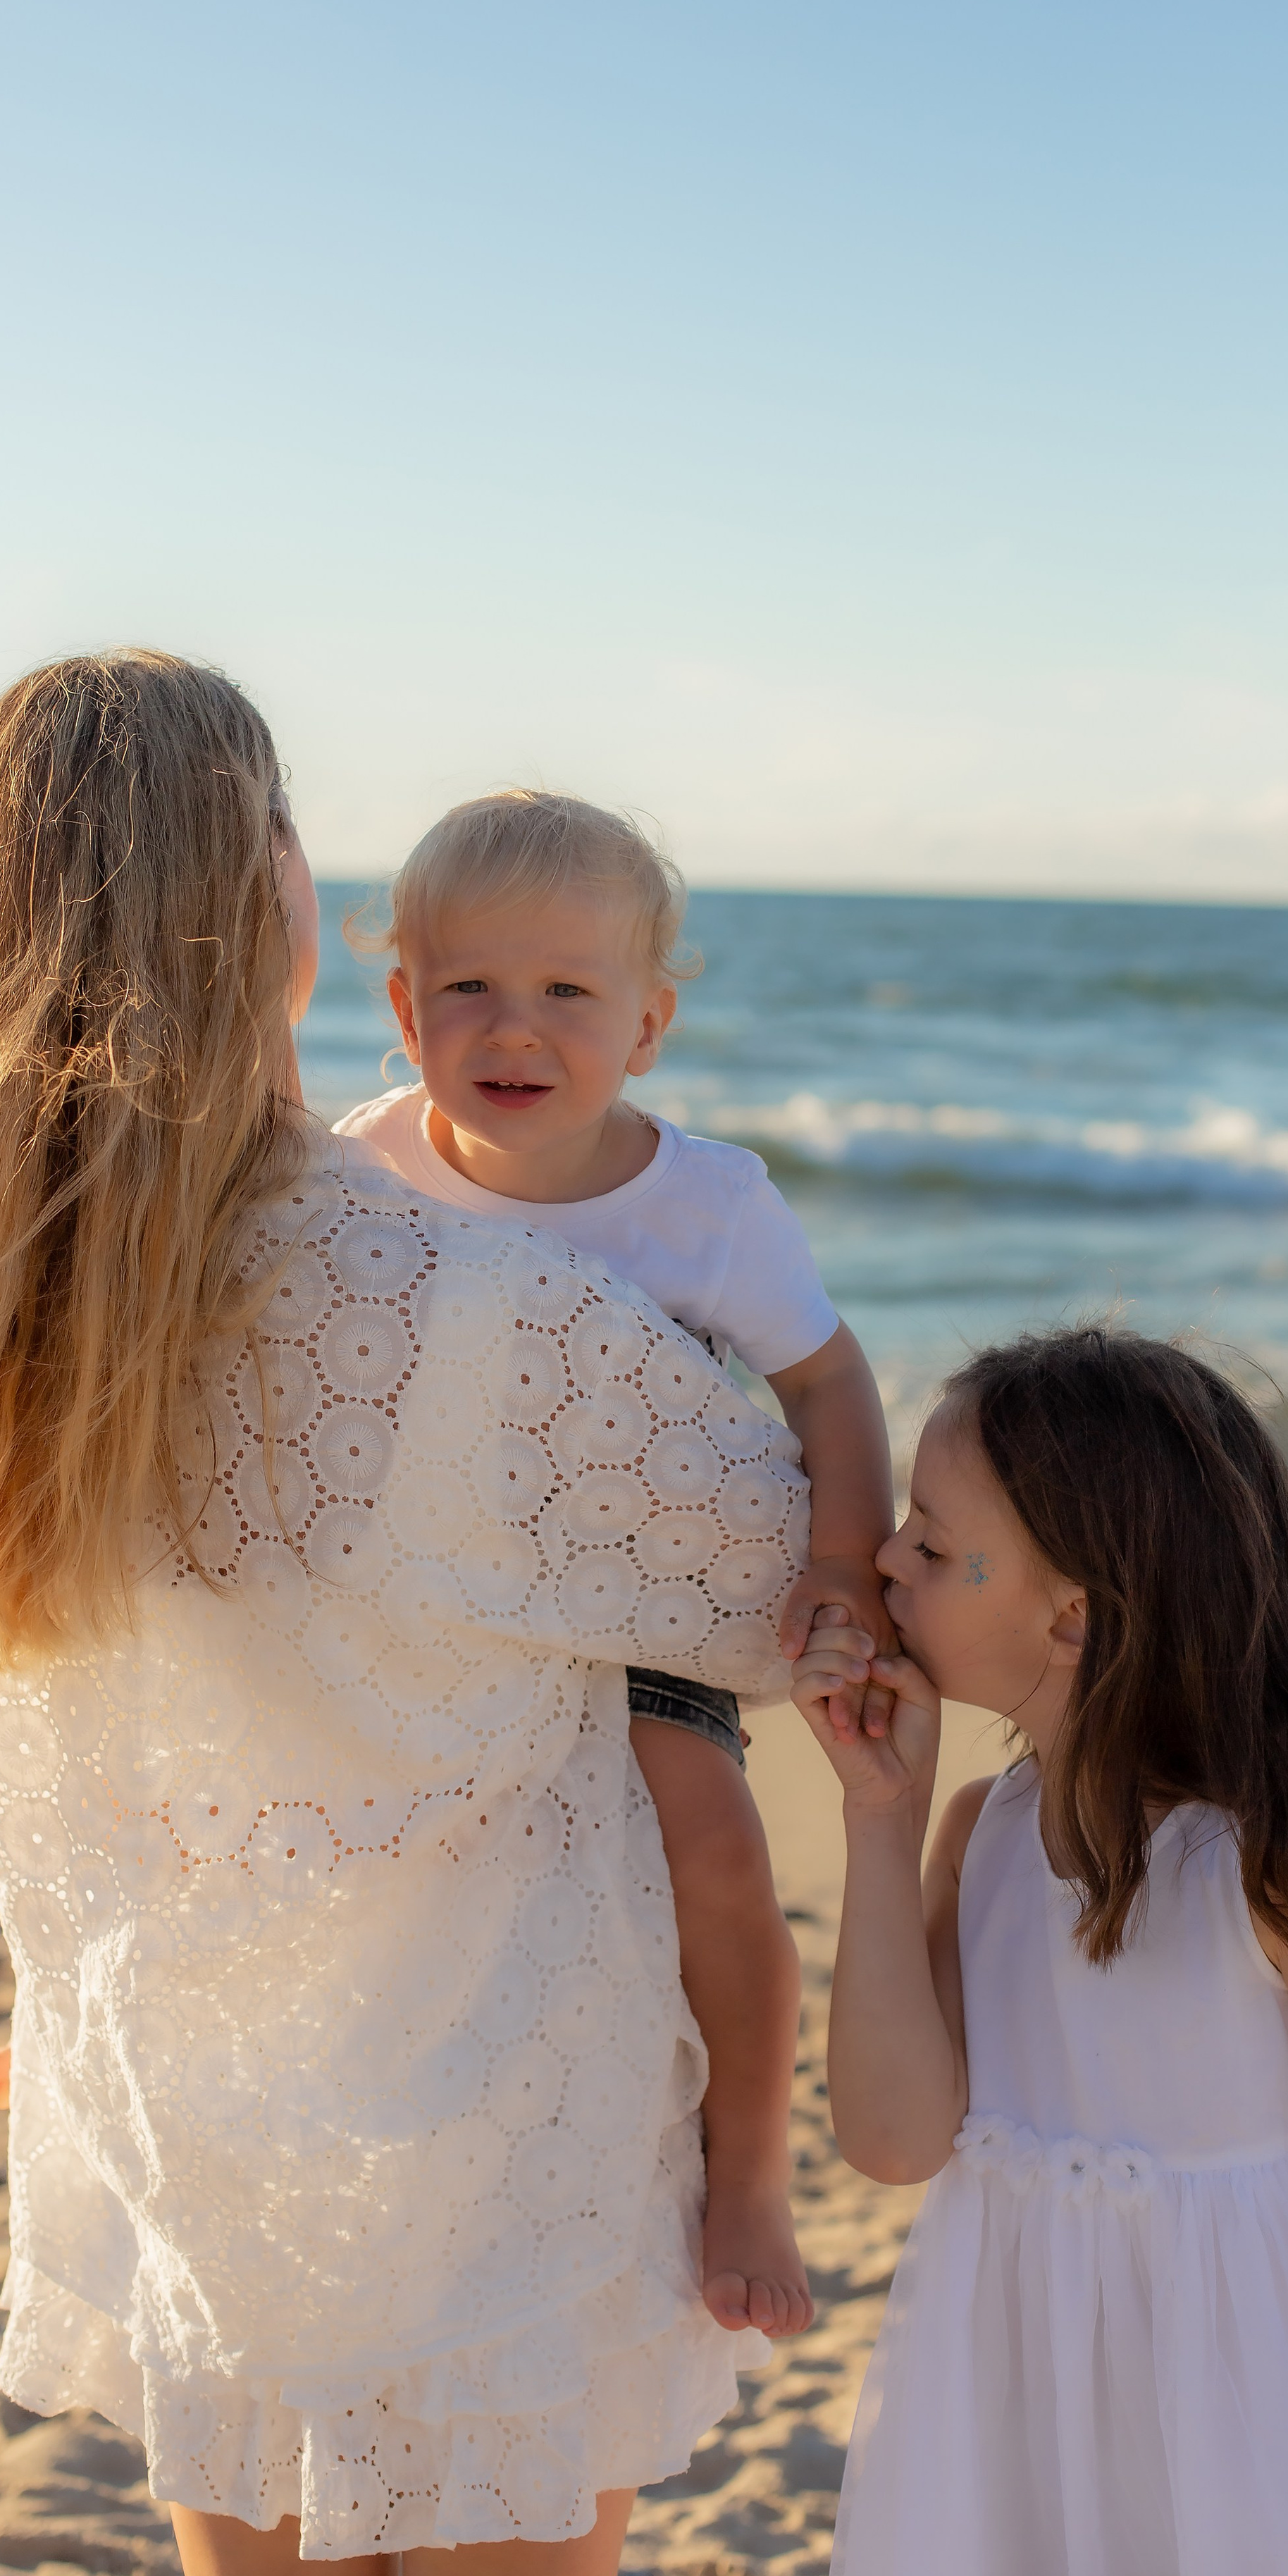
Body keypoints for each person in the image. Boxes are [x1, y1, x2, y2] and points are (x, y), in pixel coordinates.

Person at [0, 652, 862, 2576]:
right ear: (264, 901)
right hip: (498, 2147)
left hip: (189, 2122)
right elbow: (809, 1613)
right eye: (285, 829)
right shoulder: (497, 1324)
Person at [334, 789, 895, 2339]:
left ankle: (747, 2169)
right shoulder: (360, 1170)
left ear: (644, 1023)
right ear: (402, 1007)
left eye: (568, 994)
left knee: (711, 1845)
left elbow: (827, 1386)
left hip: (637, 1601)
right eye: (468, 989)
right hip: (435, 1609)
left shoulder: (706, 1206)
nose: (515, 1028)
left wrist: (838, 1565)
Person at [793, 1325, 1288, 2576]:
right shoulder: (982, 1839)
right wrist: (882, 1818)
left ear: (1076, 1618)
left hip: (1258, 2435)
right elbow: (892, 2140)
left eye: (931, 1546)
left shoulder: (1284, 1864)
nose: (883, 1559)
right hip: (1025, 2421)